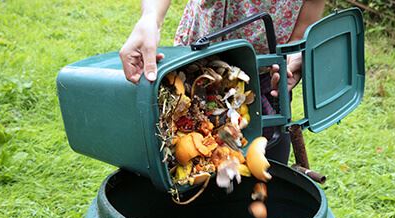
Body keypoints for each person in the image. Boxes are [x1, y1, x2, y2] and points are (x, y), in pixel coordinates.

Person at [120, 0, 325, 164]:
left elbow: (308, 16)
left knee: (266, 164)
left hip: (265, 77)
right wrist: (150, 17)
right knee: (182, 157)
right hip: (193, 69)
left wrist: (296, 49)